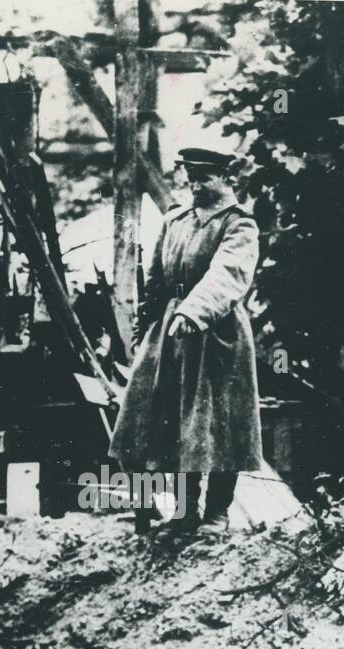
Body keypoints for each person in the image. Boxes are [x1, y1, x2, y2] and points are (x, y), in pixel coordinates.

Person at [110, 145, 263, 538]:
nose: (196, 186)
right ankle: (183, 512)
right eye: (191, 178)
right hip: (171, 334)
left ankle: (216, 512)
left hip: (217, 335)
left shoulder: (238, 224)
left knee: (218, 424)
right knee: (160, 419)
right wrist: (146, 327)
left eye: (204, 178)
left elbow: (227, 274)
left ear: (226, 178)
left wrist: (193, 312)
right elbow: (157, 281)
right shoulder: (176, 220)